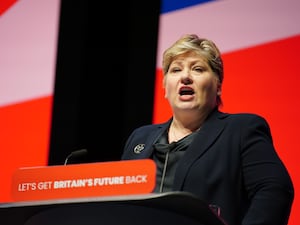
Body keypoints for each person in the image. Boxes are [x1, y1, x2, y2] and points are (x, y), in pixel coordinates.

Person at [121, 34, 294, 225]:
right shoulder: (140, 138)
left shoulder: (241, 130)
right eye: (176, 69)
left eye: (197, 69)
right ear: (164, 86)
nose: (185, 77)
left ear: (218, 85)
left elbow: (274, 190)